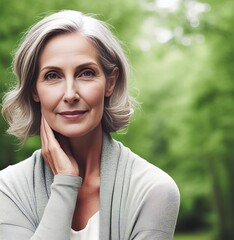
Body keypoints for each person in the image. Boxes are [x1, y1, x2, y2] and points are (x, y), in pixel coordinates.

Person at [0, 10, 180, 240]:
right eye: (53, 76)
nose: (70, 94)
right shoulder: (8, 189)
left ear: (110, 83)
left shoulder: (153, 190)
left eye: (86, 73)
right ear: (35, 90)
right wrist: (65, 182)